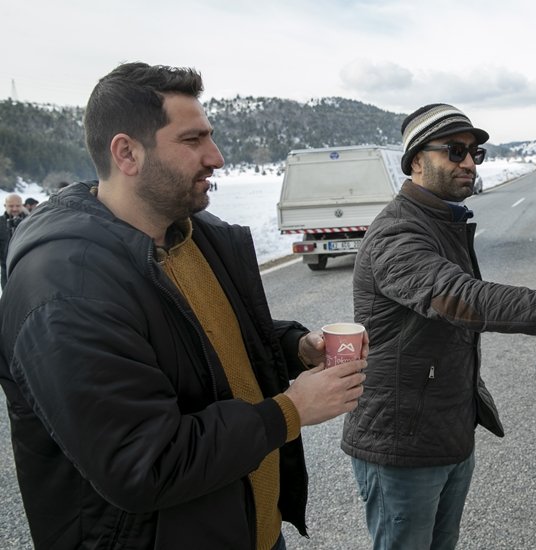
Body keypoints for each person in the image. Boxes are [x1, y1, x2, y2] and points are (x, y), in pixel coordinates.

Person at [0, 62, 367, 550]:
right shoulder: (68, 287)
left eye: (210, 137)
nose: (215, 157)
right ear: (127, 153)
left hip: (249, 531)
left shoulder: (196, 236)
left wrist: (296, 348)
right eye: (192, 140)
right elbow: (143, 463)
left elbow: (214, 347)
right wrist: (290, 410)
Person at [343, 103, 536, 550]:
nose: (469, 162)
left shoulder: (443, 219)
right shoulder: (397, 234)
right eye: (454, 150)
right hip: (400, 444)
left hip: (444, 432)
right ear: (415, 162)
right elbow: (462, 299)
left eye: (474, 152)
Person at [0, 193, 27, 288]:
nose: (15, 209)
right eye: (11, 206)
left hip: (27, 268)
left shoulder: (30, 221)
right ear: (5, 206)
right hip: (6, 269)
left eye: (18, 206)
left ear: (22, 206)